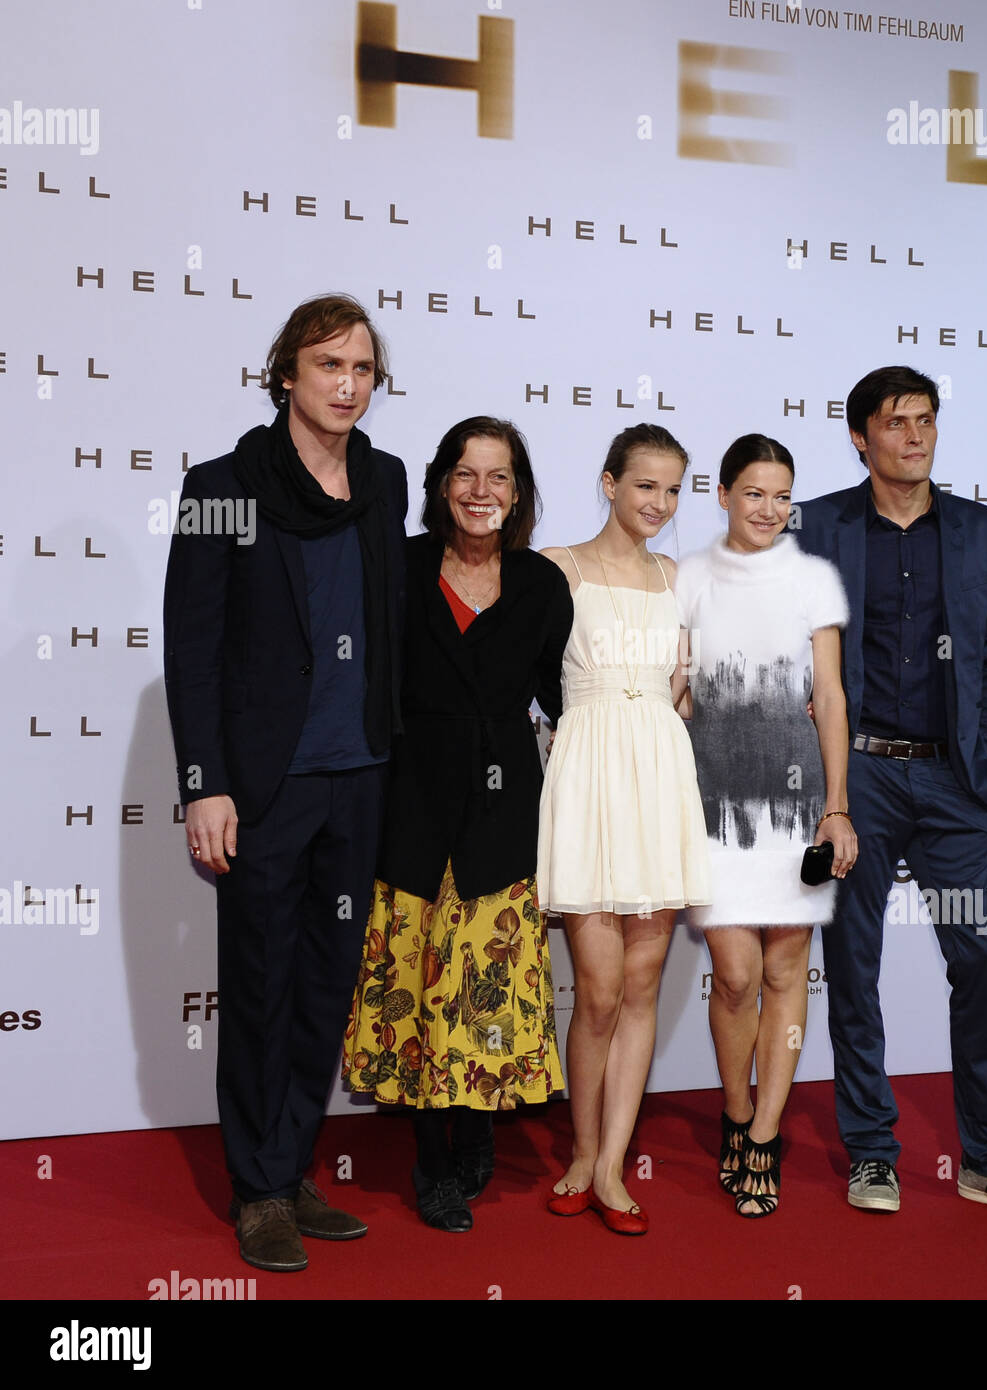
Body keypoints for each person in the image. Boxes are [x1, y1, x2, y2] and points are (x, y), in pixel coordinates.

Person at [163, 293, 408, 1271]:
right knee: (259, 989)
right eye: (328, 367)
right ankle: (256, 1187)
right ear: (285, 376)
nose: (347, 385)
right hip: (264, 788)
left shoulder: (385, 481)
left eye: (361, 370)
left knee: (323, 987)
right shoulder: (222, 483)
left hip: (361, 779)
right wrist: (202, 783)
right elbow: (193, 646)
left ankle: (293, 1162)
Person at [796, 365, 987, 1222]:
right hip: (862, 778)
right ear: (859, 436)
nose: (914, 436)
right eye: (895, 422)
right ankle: (871, 1151)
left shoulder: (982, 531)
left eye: (925, 420)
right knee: (853, 967)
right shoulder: (819, 527)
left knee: (979, 959)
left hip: (954, 783)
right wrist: (824, 782)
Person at [343, 417, 572, 1233]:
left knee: (484, 987)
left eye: (499, 477)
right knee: (411, 984)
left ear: (518, 492)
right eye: (466, 475)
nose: (482, 492)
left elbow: (562, 699)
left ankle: (474, 1127)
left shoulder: (542, 584)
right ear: (442, 485)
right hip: (409, 799)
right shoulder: (400, 568)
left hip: (505, 805)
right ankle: (429, 1160)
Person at [674, 433, 857, 1218]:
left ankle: (765, 1137)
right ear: (721, 495)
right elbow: (675, 692)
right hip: (714, 804)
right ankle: (736, 1111)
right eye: (754, 493)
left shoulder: (813, 579)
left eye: (782, 496)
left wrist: (836, 807)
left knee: (785, 974)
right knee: (738, 976)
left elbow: (832, 697)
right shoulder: (688, 578)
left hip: (795, 806)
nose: (769, 509)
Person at [537, 423, 711, 1235]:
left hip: (659, 776)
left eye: (673, 490)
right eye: (645, 485)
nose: (659, 503)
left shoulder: (678, 577)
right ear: (608, 483)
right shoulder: (556, 569)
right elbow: (526, 682)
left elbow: (681, 692)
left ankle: (608, 1165)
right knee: (598, 992)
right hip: (587, 771)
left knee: (641, 989)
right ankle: (579, 1151)